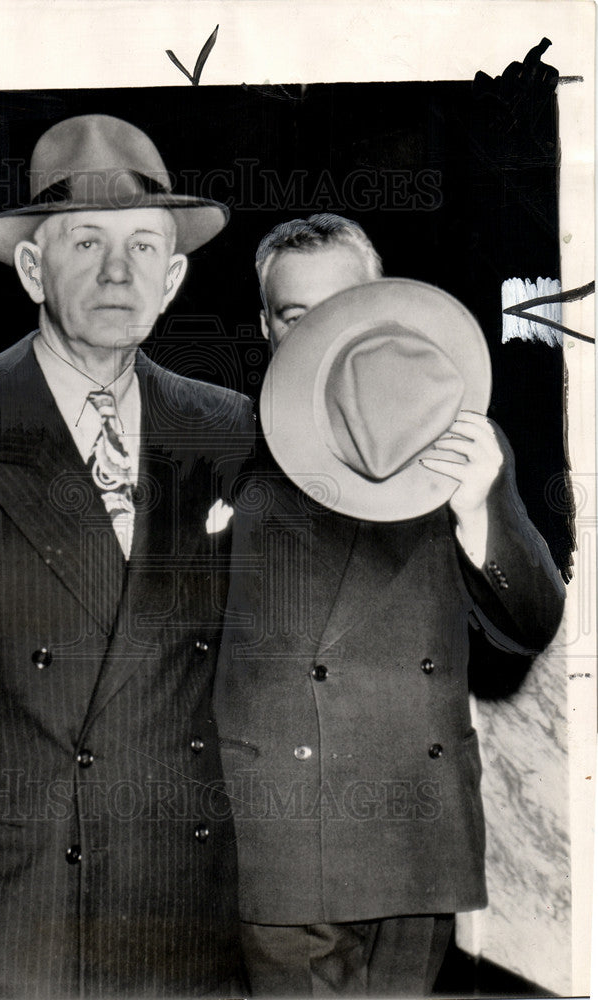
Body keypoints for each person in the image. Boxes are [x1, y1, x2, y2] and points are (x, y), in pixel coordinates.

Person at [0, 114, 253, 1000]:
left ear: (173, 279)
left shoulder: (232, 429)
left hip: (189, 918)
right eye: (85, 243)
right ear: (32, 268)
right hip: (4, 921)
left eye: (145, 246)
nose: (117, 271)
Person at [213, 213, 566, 997]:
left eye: (340, 307)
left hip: (415, 831)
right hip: (280, 840)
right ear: (266, 329)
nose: (317, 334)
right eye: (294, 317)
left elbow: (531, 623)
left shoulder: (460, 441)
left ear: (383, 305)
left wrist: (483, 506)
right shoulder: (218, 449)